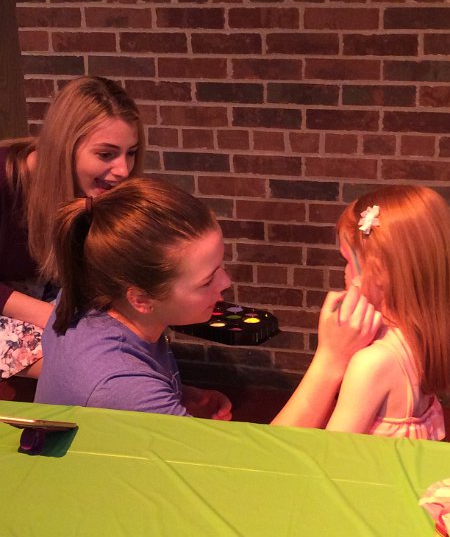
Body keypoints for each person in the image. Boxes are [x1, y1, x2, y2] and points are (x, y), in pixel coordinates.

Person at [35, 177, 382, 423]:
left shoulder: (86, 293)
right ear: (141, 298)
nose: (225, 283)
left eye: (221, 266)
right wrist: (331, 359)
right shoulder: (119, 385)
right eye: (206, 281)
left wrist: (177, 395)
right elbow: (244, 471)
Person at [0, 76, 145, 380]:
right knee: (79, 361)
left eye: (130, 152)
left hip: (42, 294)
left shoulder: (96, 191)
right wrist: (56, 319)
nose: (123, 170)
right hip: (15, 303)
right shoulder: (5, 179)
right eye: (106, 154)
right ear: (65, 146)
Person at [323, 185, 449, 440]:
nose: (344, 272)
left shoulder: (372, 362)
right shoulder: (420, 337)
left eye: (347, 261)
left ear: (378, 272)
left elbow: (332, 451)